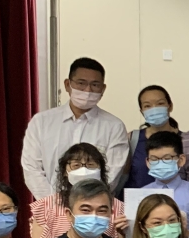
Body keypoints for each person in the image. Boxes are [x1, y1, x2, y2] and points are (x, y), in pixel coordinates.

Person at [21, 57, 129, 200]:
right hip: (49, 205)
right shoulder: (41, 122)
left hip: (94, 207)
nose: (88, 90)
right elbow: (31, 168)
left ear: (103, 89)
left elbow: (112, 173)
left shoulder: (114, 126)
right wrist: (52, 203)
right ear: (67, 85)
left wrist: (86, 204)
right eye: (81, 83)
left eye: (95, 85)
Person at [29, 143, 129, 238]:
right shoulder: (46, 205)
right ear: (65, 171)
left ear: (101, 170)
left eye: (91, 165)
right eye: (76, 165)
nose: (84, 170)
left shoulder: (118, 208)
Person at [138, 131, 189, 232]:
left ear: (181, 160)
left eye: (167, 158)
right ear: (147, 162)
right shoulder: (140, 195)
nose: (160, 163)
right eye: (154, 159)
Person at [124, 85, 179, 193]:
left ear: (170, 106)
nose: (154, 109)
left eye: (160, 103)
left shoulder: (185, 140)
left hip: (175, 200)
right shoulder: (132, 139)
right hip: (137, 200)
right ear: (142, 111)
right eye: (147, 106)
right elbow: (123, 174)